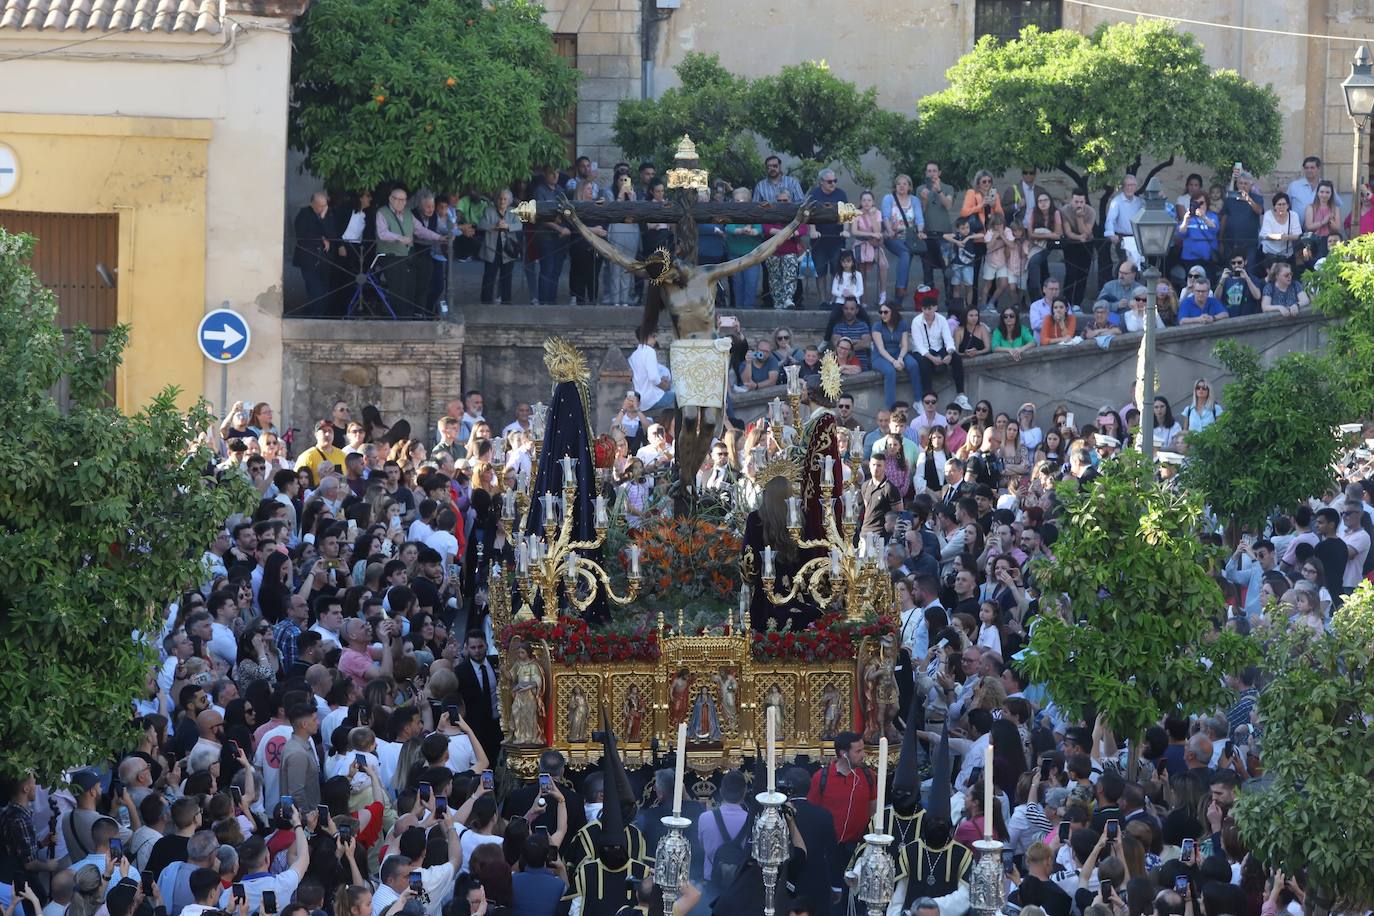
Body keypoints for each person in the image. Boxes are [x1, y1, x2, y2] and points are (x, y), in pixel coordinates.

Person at [910, 296, 971, 409]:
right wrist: (932, 358)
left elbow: (948, 339)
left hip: (938, 348)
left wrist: (950, 354)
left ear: (935, 308)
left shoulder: (941, 319)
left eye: (929, 308)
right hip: (921, 352)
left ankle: (961, 395)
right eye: (924, 309)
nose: (926, 312)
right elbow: (919, 345)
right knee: (924, 365)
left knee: (957, 359)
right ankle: (927, 399)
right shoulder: (916, 321)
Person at [871, 302, 923, 408]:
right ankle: (891, 408)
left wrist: (900, 358)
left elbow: (904, 345)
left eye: (886, 312)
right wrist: (894, 362)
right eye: (880, 312)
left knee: (913, 364)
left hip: (897, 352)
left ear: (893, 312)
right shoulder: (877, 326)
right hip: (880, 356)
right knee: (890, 372)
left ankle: (918, 401)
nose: (883, 315)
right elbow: (881, 349)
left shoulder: (902, 324)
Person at [883, 173, 926, 302]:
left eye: (904, 184)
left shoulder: (914, 200)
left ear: (909, 187)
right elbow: (885, 216)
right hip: (893, 236)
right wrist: (890, 230)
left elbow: (919, 218)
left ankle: (898, 301)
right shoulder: (888, 198)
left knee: (905, 264)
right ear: (895, 186)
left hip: (910, 237)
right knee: (905, 253)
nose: (901, 186)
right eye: (899, 184)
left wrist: (920, 231)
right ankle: (900, 289)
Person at [477, 189, 521, 306]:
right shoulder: (489, 210)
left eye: (505, 199)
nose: (502, 201)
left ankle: (506, 301)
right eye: (500, 198)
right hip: (492, 248)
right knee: (489, 276)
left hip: (508, 250)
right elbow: (481, 224)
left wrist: (507, 226)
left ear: (509, 201)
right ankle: (485, 302)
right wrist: (493, 226)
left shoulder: (513, 211)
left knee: (507, 276)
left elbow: (519, 225)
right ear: (497, 200)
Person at [292, 191, 333, 316]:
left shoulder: (327, 215)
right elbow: (303, 233)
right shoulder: (304, 214)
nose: (322, 208)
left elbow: (331, 233)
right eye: (320, 205)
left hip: (323, 260)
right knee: (315, 290)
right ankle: (315, 315)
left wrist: (323, 218)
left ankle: (319, 314)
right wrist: (321, 237)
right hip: (308, 259)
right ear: (312, 204)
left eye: (324, 205)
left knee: (324, 290)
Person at [629, 328, 675, 413]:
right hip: (651, 399)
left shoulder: (633, 356)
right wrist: (666, 386)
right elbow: (653, 377)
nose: (655, 339)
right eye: (654, 336)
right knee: (678, 392)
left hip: (640, 399)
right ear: (647, 337)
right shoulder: (649, 351)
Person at [1259, 192, 1302, 271]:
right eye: (1279, 204)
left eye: (1284, 204)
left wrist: (1288, 237)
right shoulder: (1268, 215)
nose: (1281, 207)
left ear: (1288, 205)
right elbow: (1265, 235)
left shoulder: (1293, 215)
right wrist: (1280, 237)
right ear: (1274, 206)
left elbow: (1298, 234)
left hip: (1287, 254)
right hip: (1270, 253)